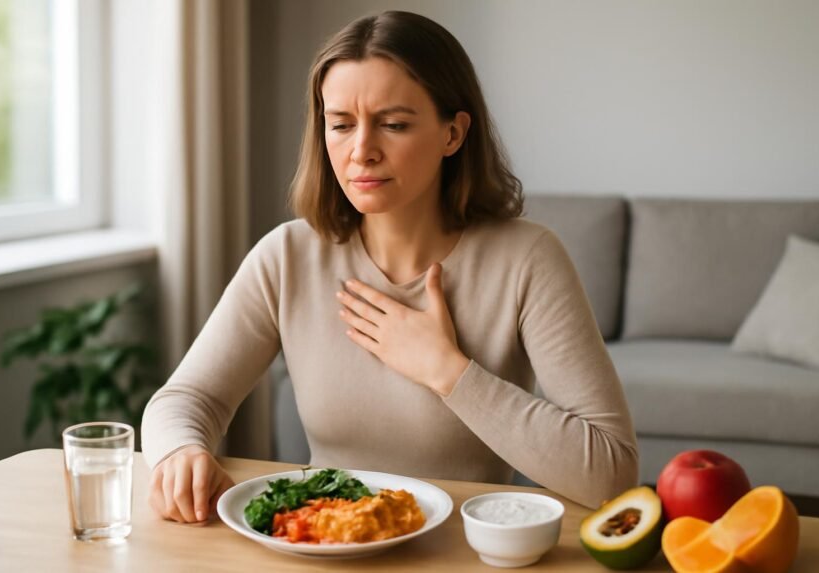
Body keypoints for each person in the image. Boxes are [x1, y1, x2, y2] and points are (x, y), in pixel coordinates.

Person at [142, 10, 638, 524]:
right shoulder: (285, 257)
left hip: (463, 557)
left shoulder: (528, 260)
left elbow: (611, 472)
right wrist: (180, 453)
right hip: (324, 544)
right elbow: (186, 398)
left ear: (453, 134)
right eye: (340, 125)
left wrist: (447, 371)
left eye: (394, 125)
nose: (362, 152)